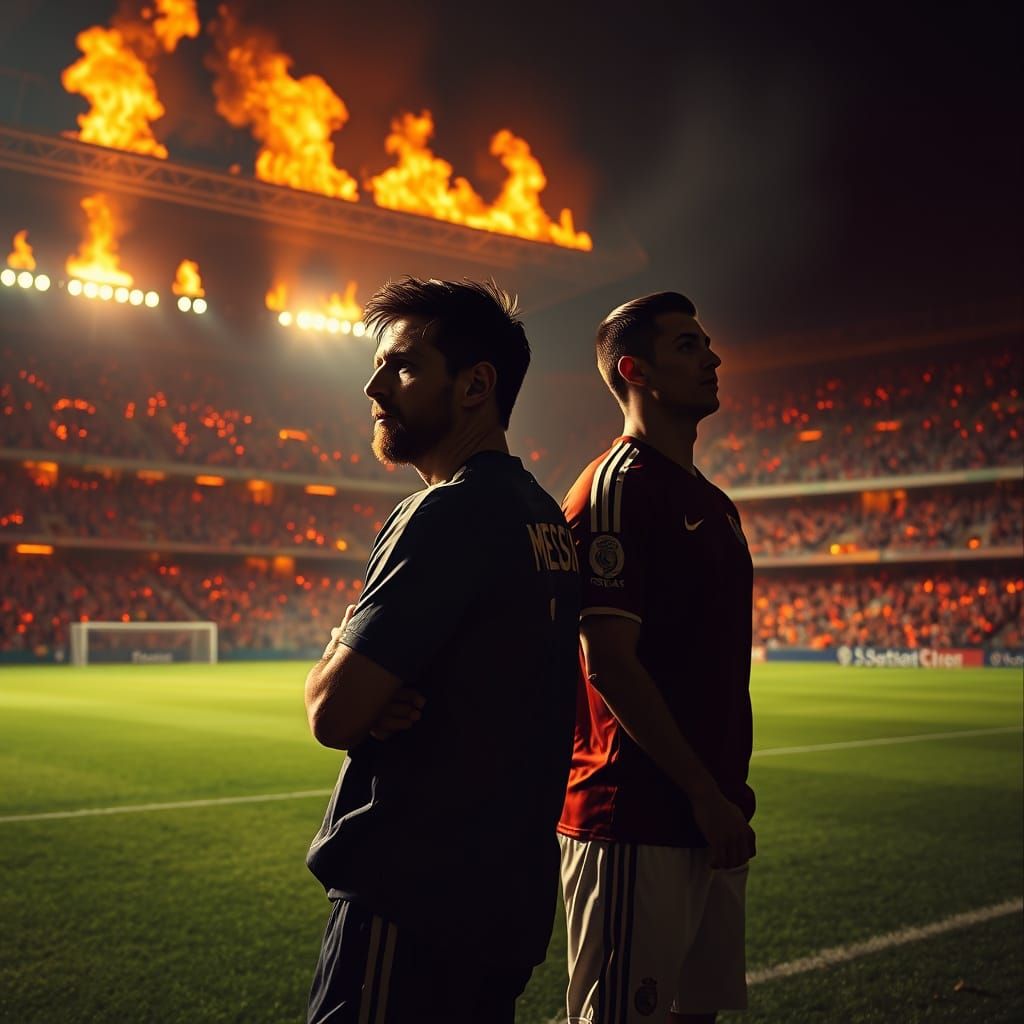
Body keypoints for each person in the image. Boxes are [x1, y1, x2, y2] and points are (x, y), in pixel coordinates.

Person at [303, 277, 580, 1024]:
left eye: (402, 366)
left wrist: (340, 644)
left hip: (413, 902)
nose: (372, 386)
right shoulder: (542, 514)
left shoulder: (444, 512)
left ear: (475, 386)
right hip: (502, 905)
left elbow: (332, 712)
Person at [557, 291, 757, 1024]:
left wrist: (719, 796)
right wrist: (703, 793)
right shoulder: (616, 490)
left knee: (693, 1015)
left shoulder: (716, 503)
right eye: (687, 347)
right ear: (635, 371)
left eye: (706, 343)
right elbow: (609, 663)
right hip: (634, 816)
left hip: (711, 812)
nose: (712, 357)